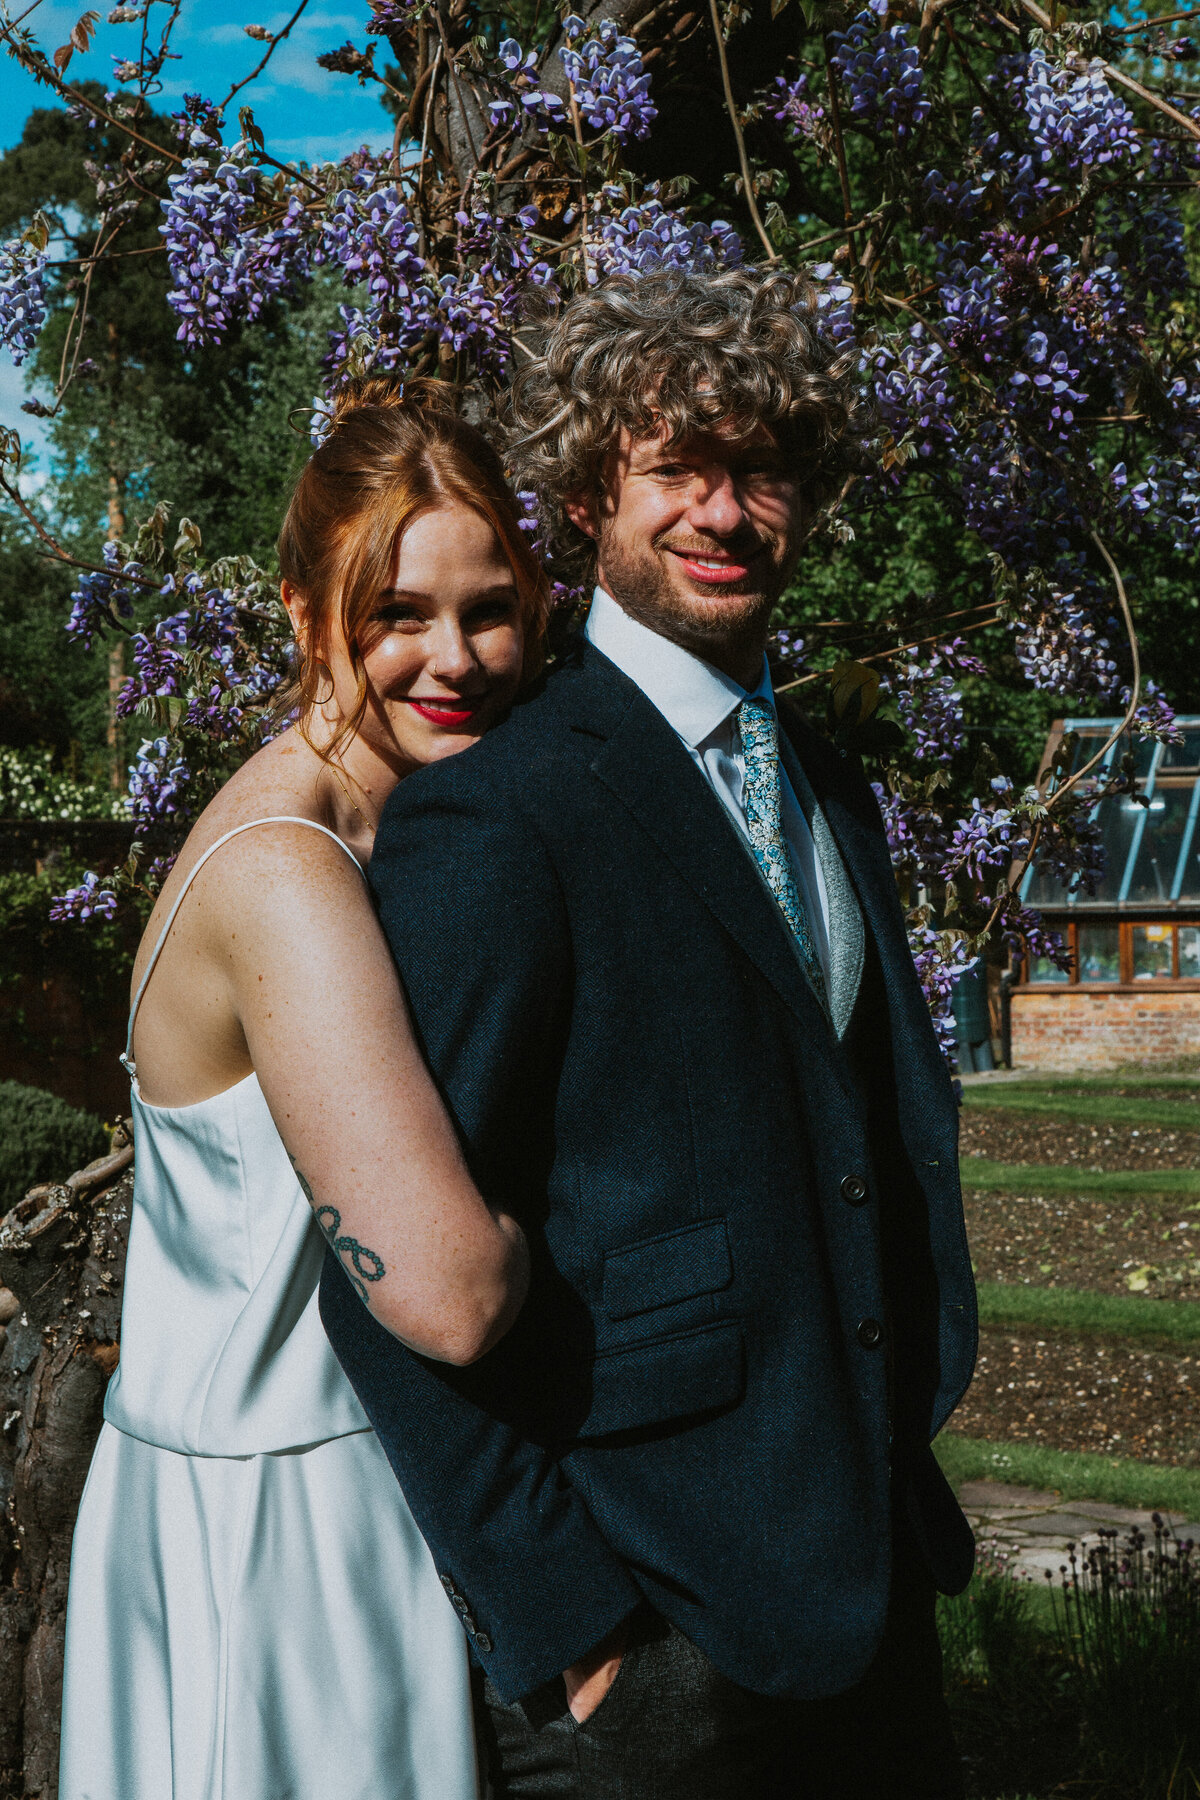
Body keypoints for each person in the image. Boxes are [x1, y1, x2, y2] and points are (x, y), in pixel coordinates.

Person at [320, 268, 978, 1799]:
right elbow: (381, 1283)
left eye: (760, 470)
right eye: (677, 468)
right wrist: (575, 1628)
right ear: (590, 497)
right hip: (652, 1635)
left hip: (868, 1569)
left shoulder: (825, 774)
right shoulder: (507, 807)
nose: (724, 511)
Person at [58, 379, 546, 1800]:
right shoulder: (286, 871)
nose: (451, 657)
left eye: (488, 606)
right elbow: (449, 1293)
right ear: (300, 613)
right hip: (278, 1526)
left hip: (350, 1481)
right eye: (397, 612)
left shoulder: (406, 827)